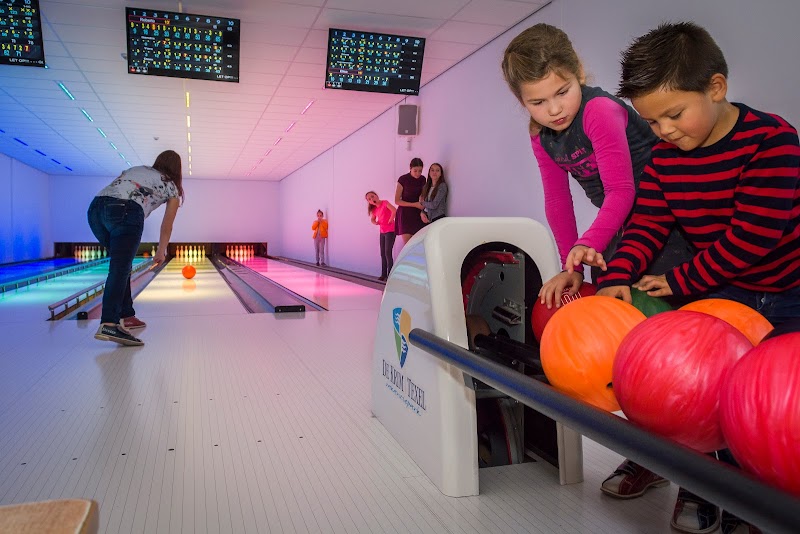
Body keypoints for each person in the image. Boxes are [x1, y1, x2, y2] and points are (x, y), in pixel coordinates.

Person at [594, 22, 800, 534]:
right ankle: (708, 487)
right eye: (651, 121)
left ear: (716, 88)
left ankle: (763, 503)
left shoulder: (772, 141)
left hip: (789, 291)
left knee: (772, 408)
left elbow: (755, 236)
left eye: (673, 115)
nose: (663, 131)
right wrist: (619, 274)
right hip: (727, 294)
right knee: (714, 397)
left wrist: (684, 281)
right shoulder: (665, 160)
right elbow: (649, 224)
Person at [500, 23, 694, 311]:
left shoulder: (599, 111)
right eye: (538, 102)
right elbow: (558, 202)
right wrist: (572, 265)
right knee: (601, 274)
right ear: (522, 101)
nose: (554, 110)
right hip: (627, 218)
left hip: (668, 209)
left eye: (562, 92)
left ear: (578, 71)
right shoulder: (540, 137)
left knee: (656, 281)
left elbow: (621, 190)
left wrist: (588, 242)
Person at [88, 150, 184, 346]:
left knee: (121, 266)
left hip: (95, 210)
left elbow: (115, 190)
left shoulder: (138, 169)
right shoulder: (172, 186)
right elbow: (167, 225)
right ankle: (109, 323)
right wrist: (161, 250)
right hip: (126, 211)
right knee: (120, 268)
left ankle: (126, 315)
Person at [394, 157, 426, 244]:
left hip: (417, 212)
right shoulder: (403, 179)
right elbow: (397, 201)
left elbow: (423, 195)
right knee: (408, 246)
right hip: (405, 213)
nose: (418, 173)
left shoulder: (423, 179)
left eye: (420, 171)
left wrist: (422, 207)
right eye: (415, 170)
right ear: (410, 168)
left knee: (418, 244)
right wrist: (414, 204)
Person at [365, 191, 397, 281]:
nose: (372, 199)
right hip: (382, 232)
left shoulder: (385, 203)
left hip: (390, 231)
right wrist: (374, 222)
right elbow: (372, 219)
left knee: (387, 252)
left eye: (372, 196)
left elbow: (394, 210)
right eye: (369, 199)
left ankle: (390, 275)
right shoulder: (374, 209)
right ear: (369, 202)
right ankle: (383, 275)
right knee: (382, 253)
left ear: (376, 196)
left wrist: (391, 219)